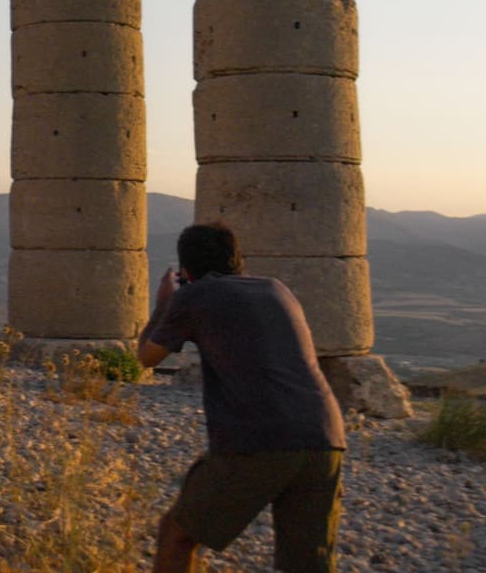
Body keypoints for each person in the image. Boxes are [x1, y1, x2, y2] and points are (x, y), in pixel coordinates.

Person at [137, 223, 348, 573]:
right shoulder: (276, 288)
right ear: (237, 260)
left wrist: (163, 304)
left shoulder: (193, 296)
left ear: (186, 270)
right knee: (308, 564)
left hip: (259, 439)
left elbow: (147, 357)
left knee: (177, 536)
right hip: (325, 436)